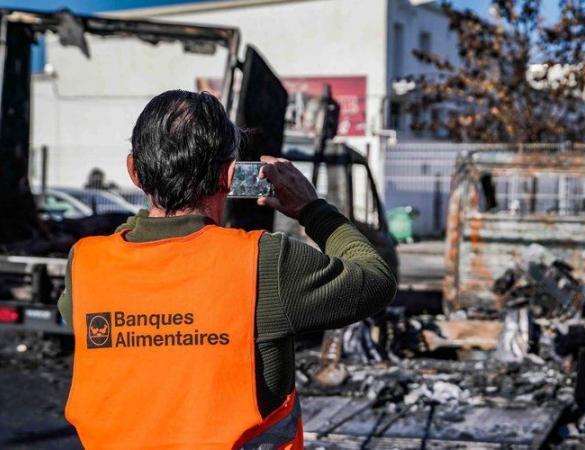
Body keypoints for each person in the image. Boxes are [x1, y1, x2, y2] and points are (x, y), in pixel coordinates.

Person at [57, 90, 396, 449]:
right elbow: (375, 278)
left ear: (134, 172)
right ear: (231, 175)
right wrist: (313, 209)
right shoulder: (262, 261)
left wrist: (153, 211)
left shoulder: (85, 265)